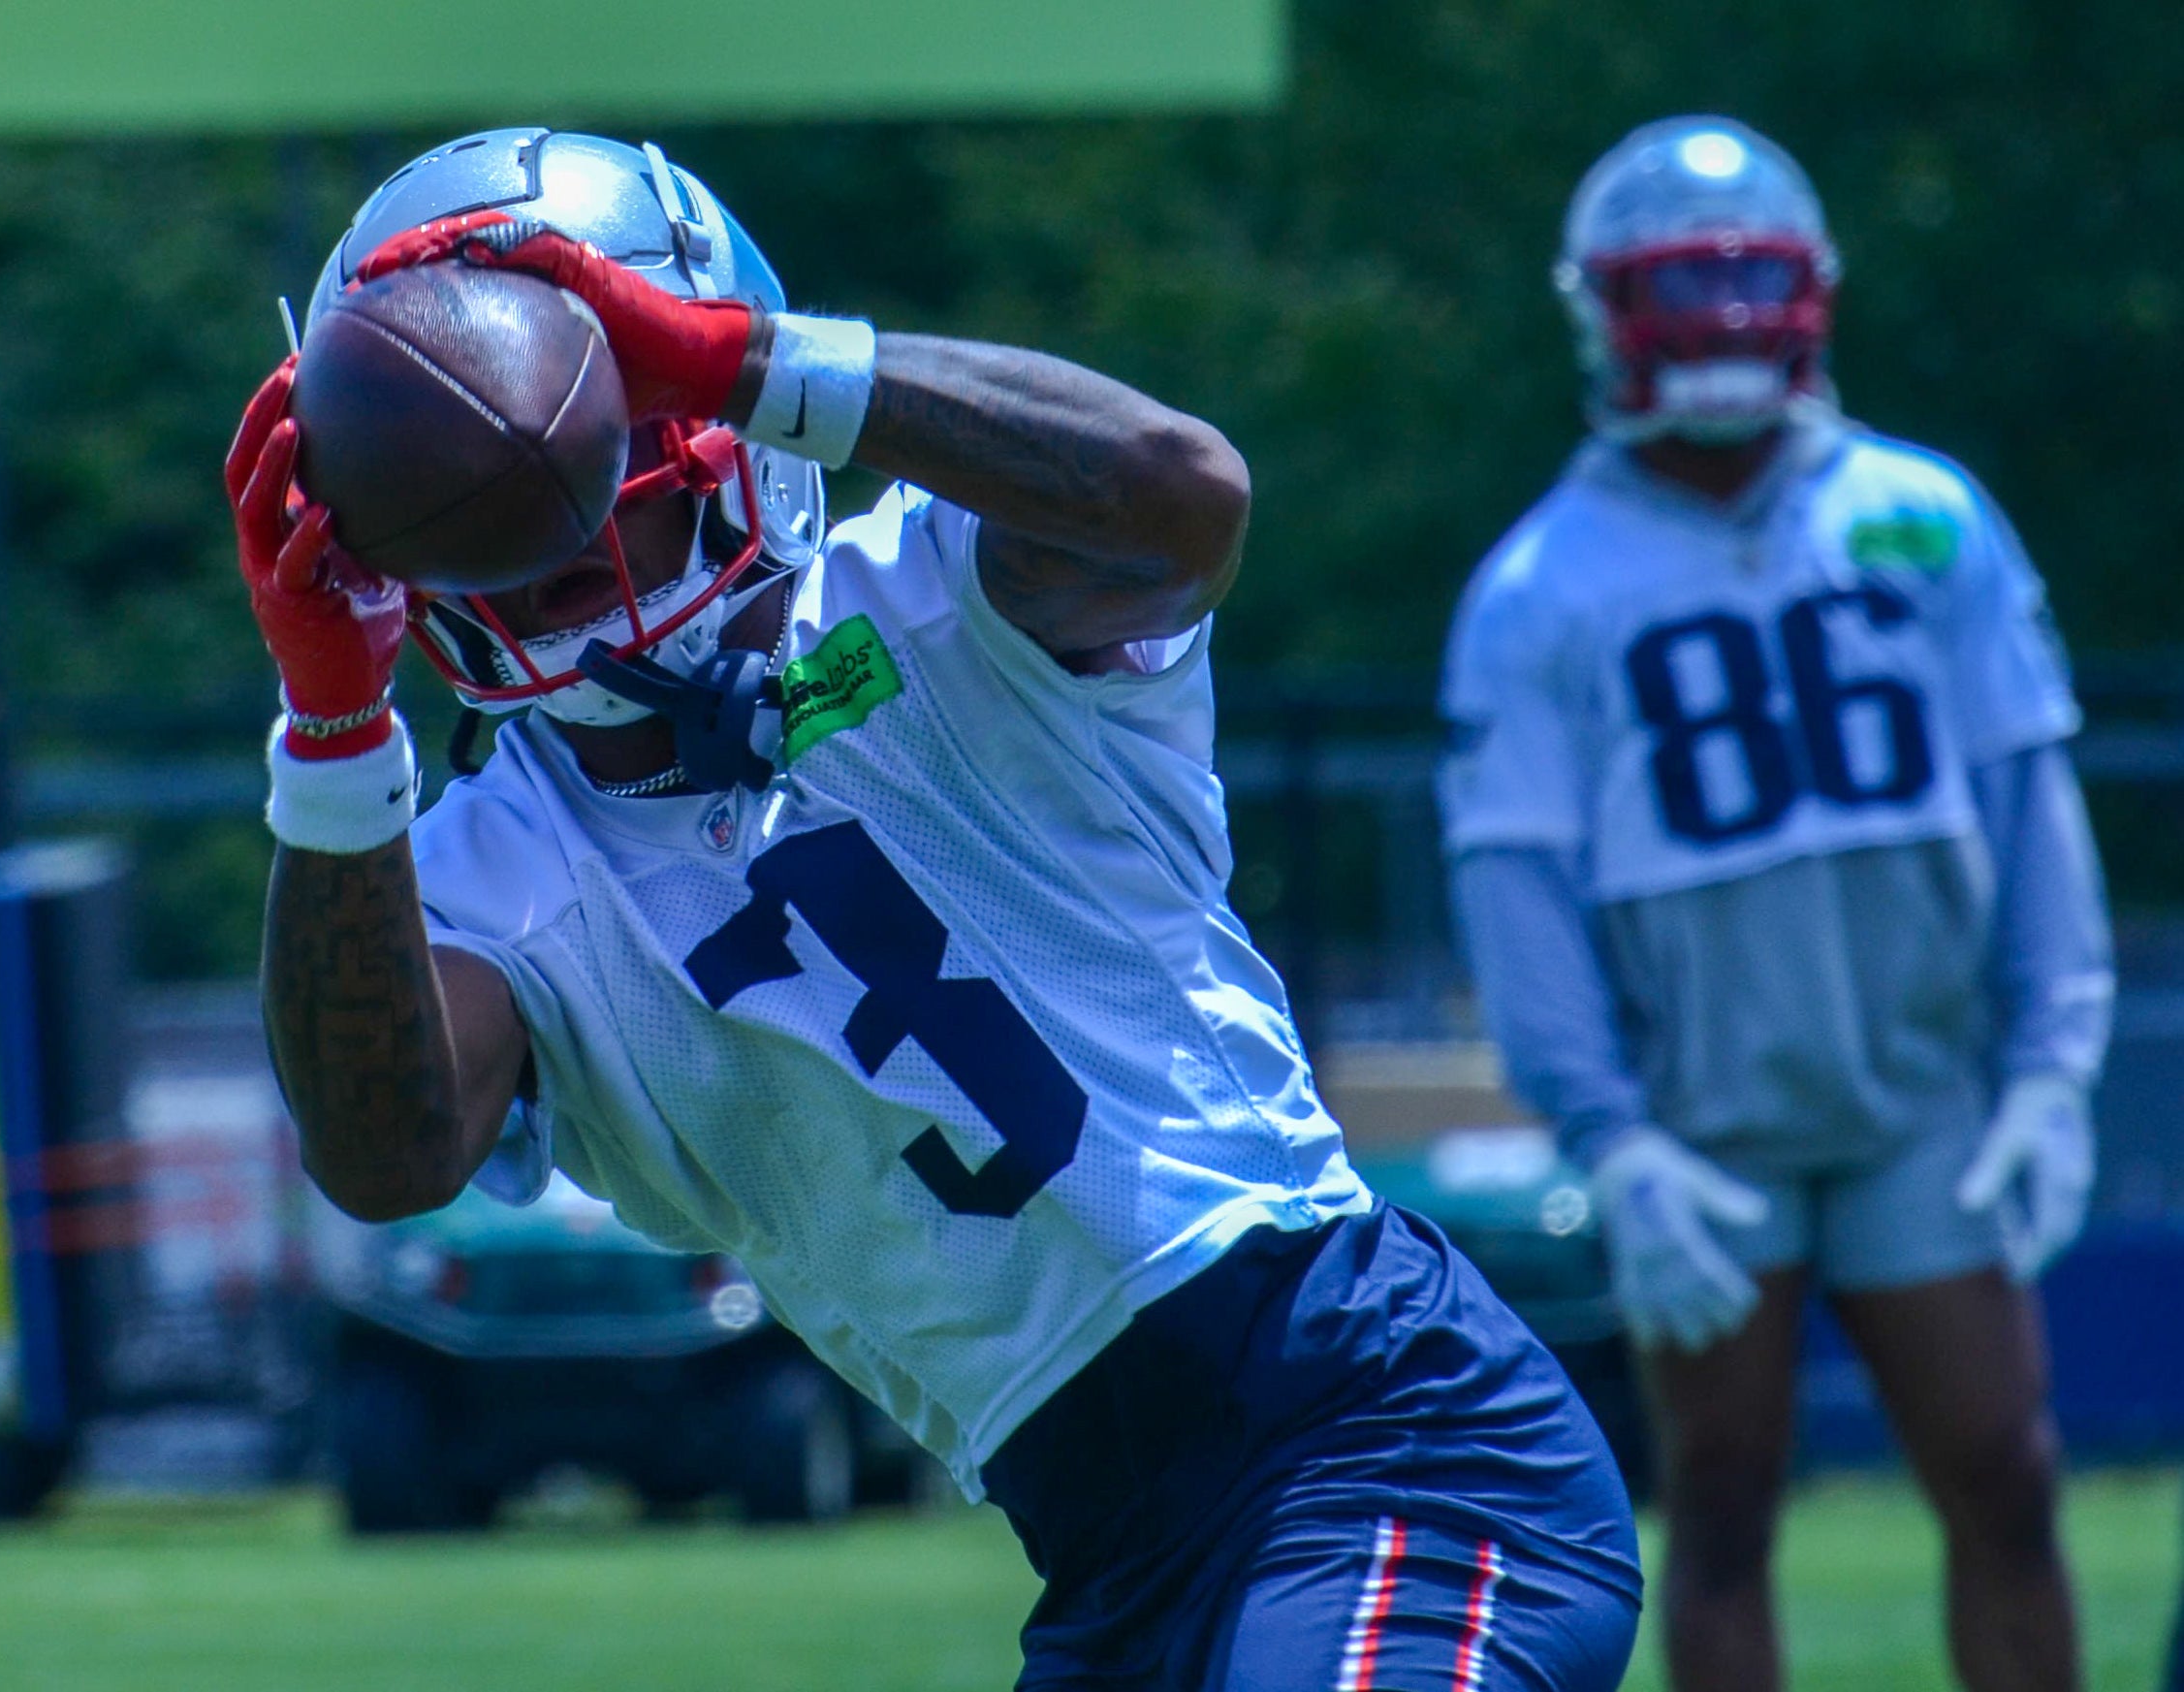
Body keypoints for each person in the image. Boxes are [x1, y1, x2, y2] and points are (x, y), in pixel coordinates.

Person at [227, 129, 1639, 1688]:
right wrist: (333, 729)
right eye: (488, 506)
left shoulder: (945, 594)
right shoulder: (487, 870)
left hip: (1375, 1431)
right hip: (1109, 1560)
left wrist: (741, 356)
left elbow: (1185, 500)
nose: (563, 538)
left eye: (602, 463)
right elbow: (380, 1150)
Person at [1438, 115, 2112, 1692]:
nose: (1722, 316)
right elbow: (1518, 888)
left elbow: (2028, 802)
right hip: (1704, 1115)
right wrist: (1607, 1135)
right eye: (1688, 283)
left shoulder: (1920, 511)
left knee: (2005, 1472)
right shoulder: (1543, 583)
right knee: (1722, 1499)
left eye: (1746, 277)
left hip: (1918, 1094)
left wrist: (2049, 1063)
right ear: (1606, 308)